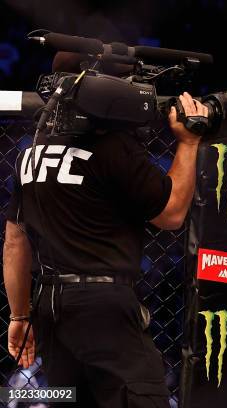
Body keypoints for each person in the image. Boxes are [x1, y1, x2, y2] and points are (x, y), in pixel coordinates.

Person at [3, 52, 207, 407]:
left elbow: (14, 243)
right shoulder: (111, 147)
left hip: (49, 305)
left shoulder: (30, 153)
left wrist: (20, 314)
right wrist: (188, 142)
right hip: (103, 305)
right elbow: (172, 214)